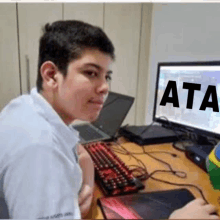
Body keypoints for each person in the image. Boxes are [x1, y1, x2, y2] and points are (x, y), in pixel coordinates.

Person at [0, 19, 219, 219]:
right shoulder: (40, 149)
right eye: (91, 73)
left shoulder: (27, 107)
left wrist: (86, 181)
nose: (105, 87)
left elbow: (79, 150)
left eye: (107, 76)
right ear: (51, 75)